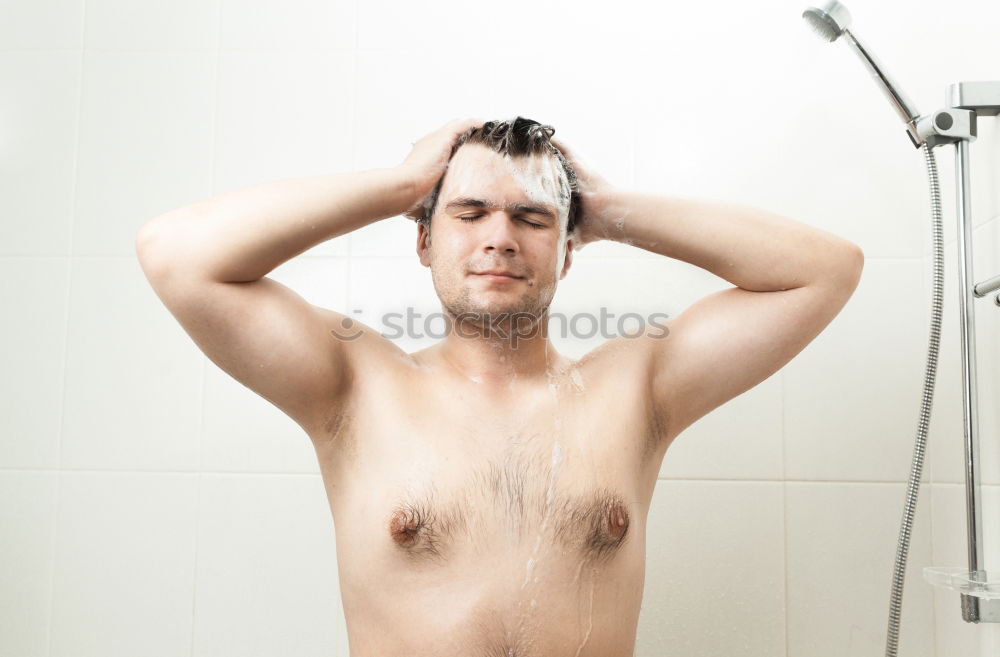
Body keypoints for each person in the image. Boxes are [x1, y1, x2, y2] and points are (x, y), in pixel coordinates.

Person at [135, 116, 863, 656]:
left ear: (569, 250)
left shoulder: (637, 386)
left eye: (532, 217)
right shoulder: (352, 384)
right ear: (423, 238)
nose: (499, 237)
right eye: (469, 211)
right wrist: (401, 185)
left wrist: (606, 209)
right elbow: (175, 253)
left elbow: (826, 270)